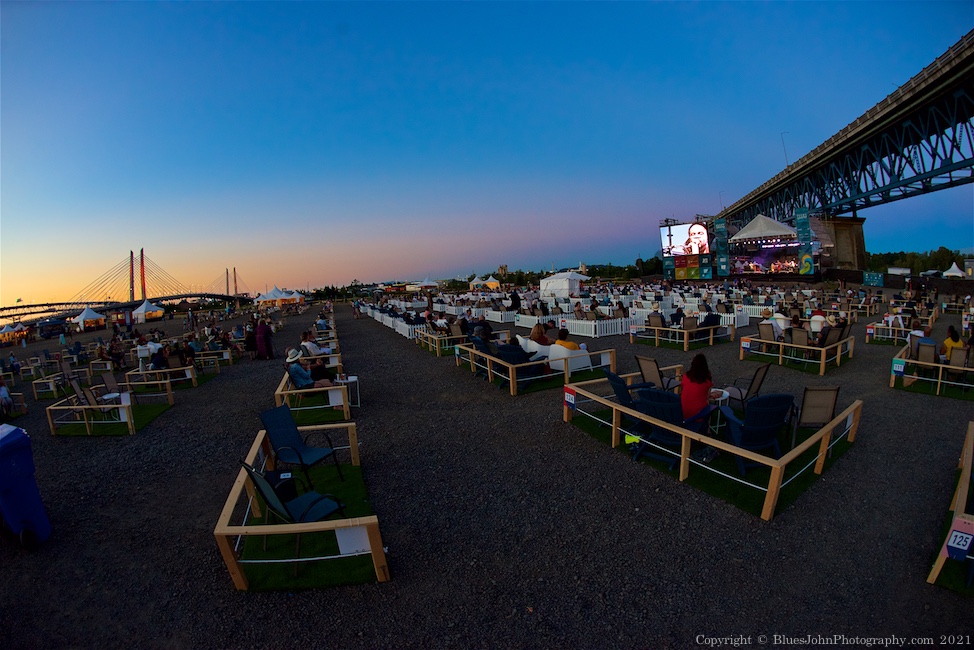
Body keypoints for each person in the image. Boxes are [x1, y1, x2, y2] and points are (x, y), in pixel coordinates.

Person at [680, 354, 716, 420]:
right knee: (707, 405)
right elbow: (707, 396)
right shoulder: (706, 381)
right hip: (699, 414)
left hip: (684, 411)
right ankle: (707, 428)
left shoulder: (686, 376)